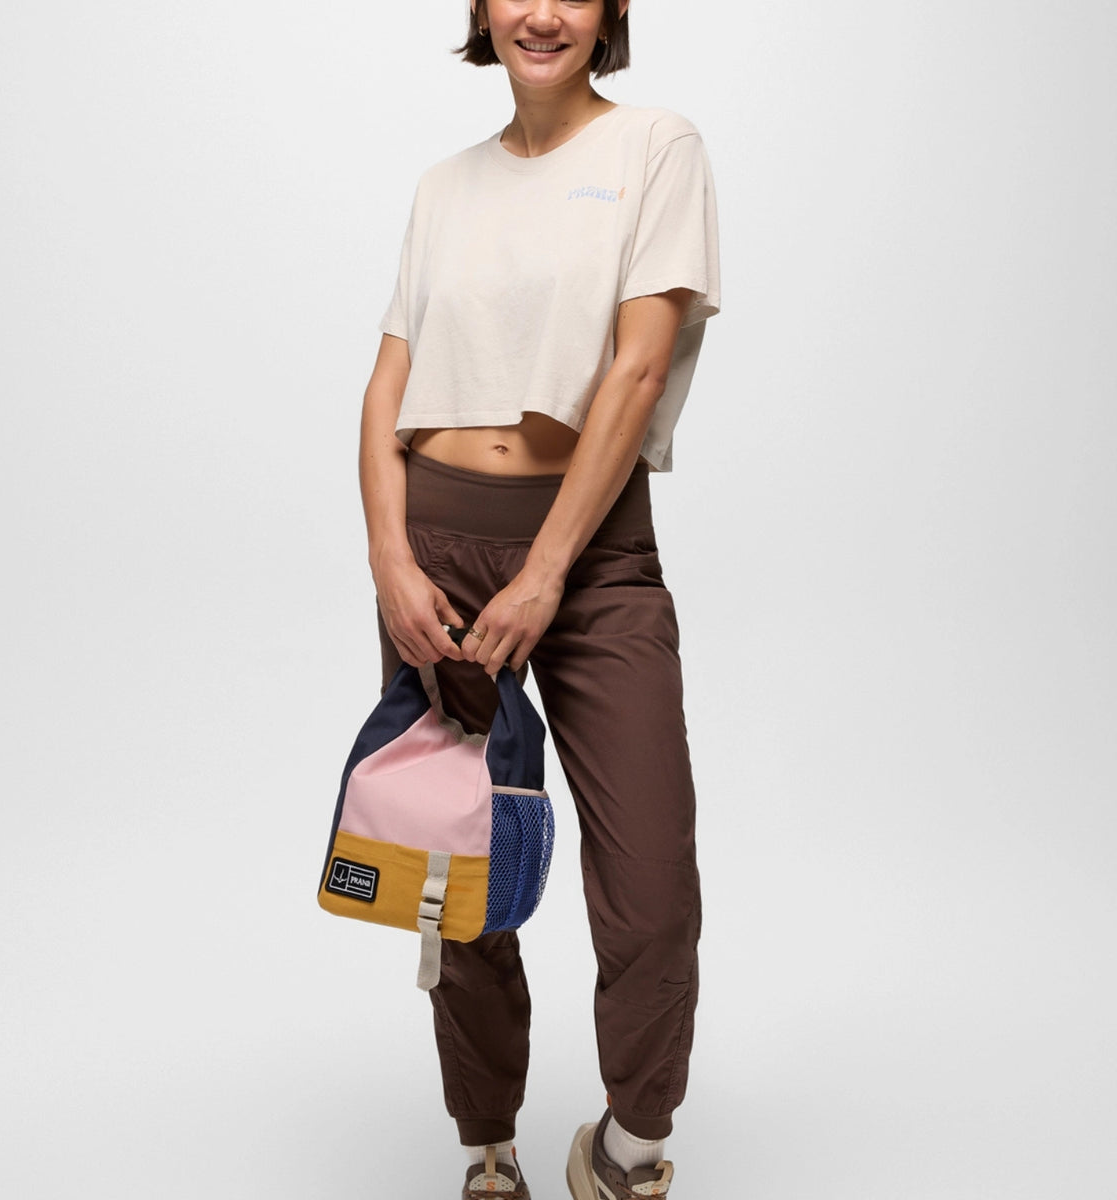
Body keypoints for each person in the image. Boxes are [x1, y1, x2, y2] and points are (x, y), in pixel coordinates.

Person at [357, 2, 720, 1196]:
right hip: (437, 555)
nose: (543, 12)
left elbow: (639, 364)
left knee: (653, 887)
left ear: (614, 9)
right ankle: (487, 1144)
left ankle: (628, 1147)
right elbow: (387, 384)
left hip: (591, 558)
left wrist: (547, 573)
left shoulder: (655, 148)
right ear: (479, 9)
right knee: (457, 875)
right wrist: (391, 561)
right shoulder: (441, 187)